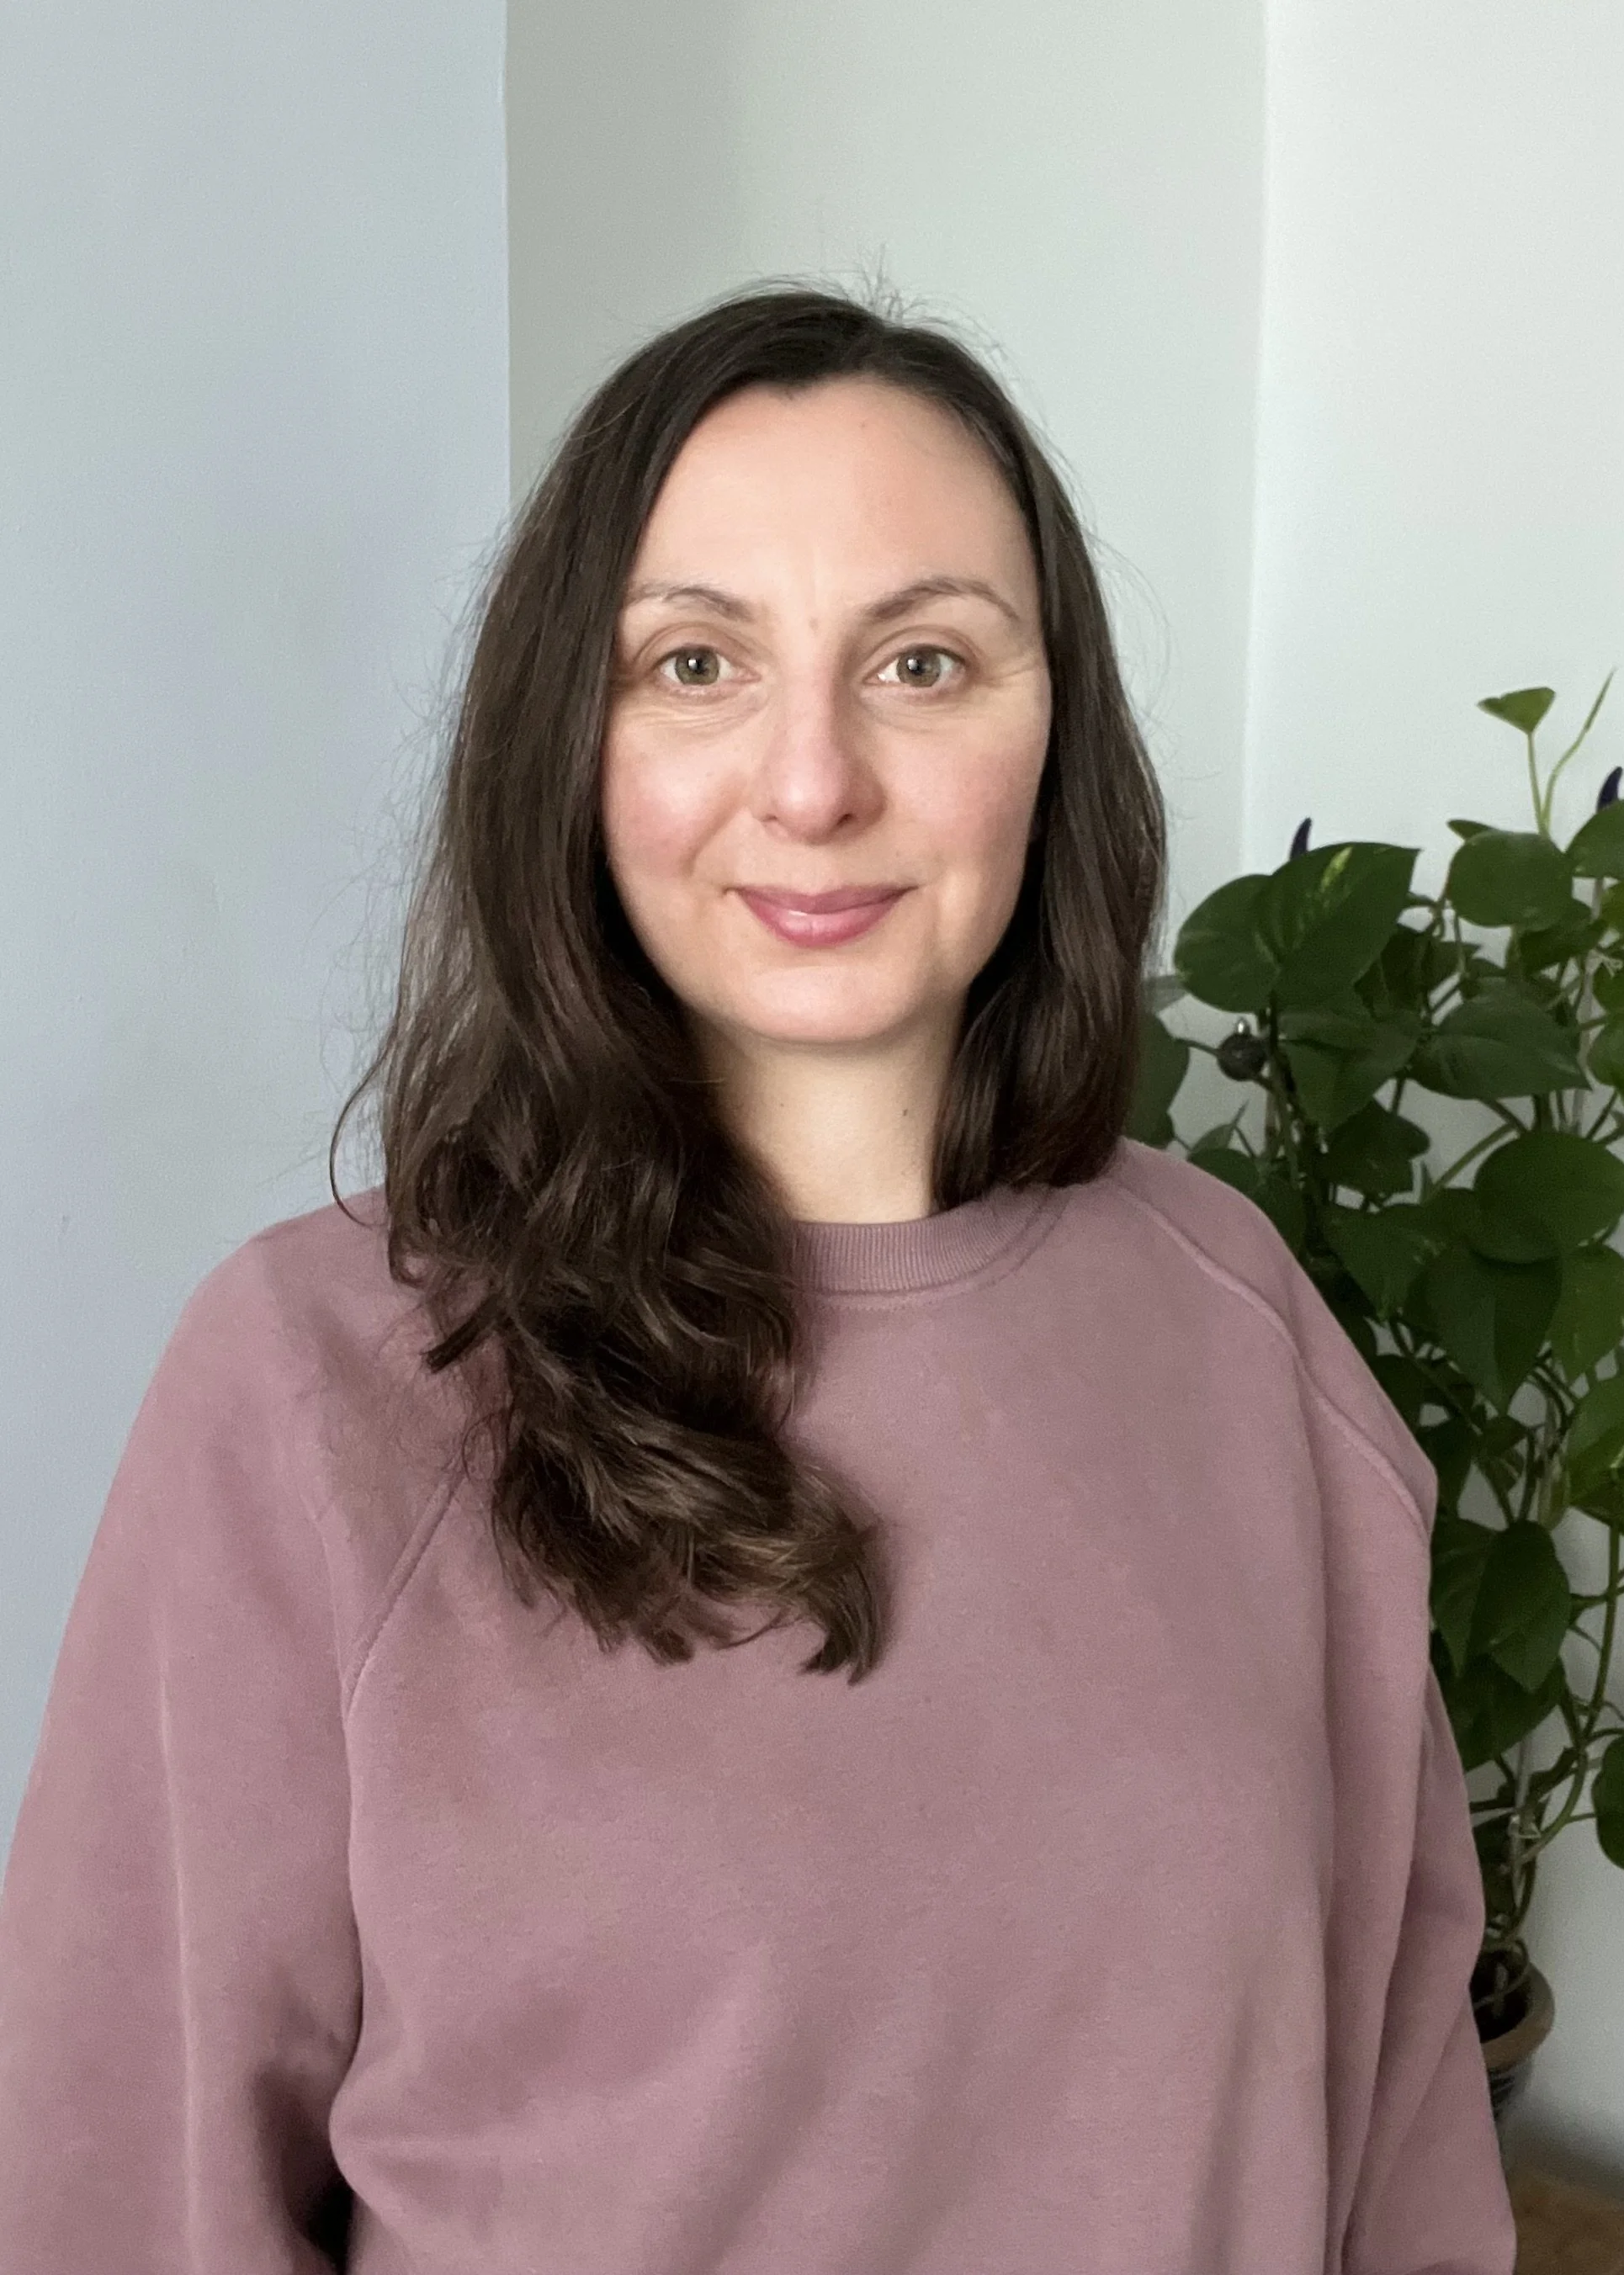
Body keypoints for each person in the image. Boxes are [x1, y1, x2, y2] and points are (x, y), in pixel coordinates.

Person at [0, 285, 1517, 2273]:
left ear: (1049, 729)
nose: (811, 781)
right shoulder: (318, 1383)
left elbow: (1401, 2139)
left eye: (921, 660)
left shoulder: (1235, 1329)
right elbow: (120, 2198)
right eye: (697, 662)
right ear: (573, 736)